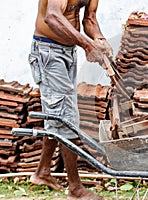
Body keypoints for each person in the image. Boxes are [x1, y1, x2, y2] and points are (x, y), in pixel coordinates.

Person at [28, 0, 112, 199]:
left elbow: (89, 19)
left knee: (57, 114)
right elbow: (52, 16)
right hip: (48, 52)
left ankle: (42, 173)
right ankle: (75, 189)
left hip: (68, 51)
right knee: (67, 118)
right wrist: (86, 44)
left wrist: (99, 38)